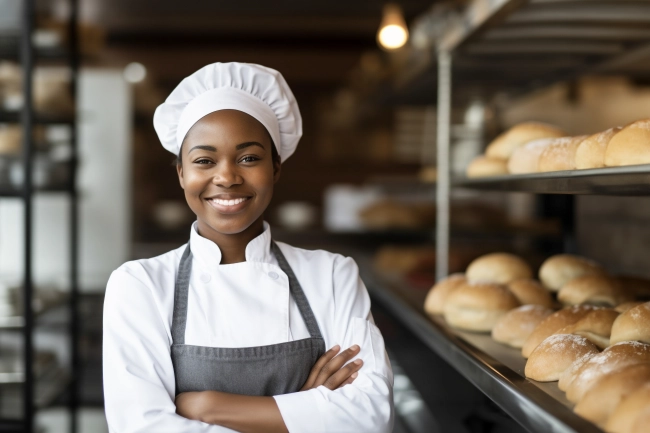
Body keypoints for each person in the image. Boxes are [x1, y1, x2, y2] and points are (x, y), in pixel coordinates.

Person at [102, 62, 394, 433]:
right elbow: (140, 428)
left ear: (275, 168)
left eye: (249, 158)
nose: (226, 177)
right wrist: (304, 410)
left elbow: (370, 418)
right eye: (204, 161)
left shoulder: (333, 274)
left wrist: (208, 406)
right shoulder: (139, 285)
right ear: (181, 173)